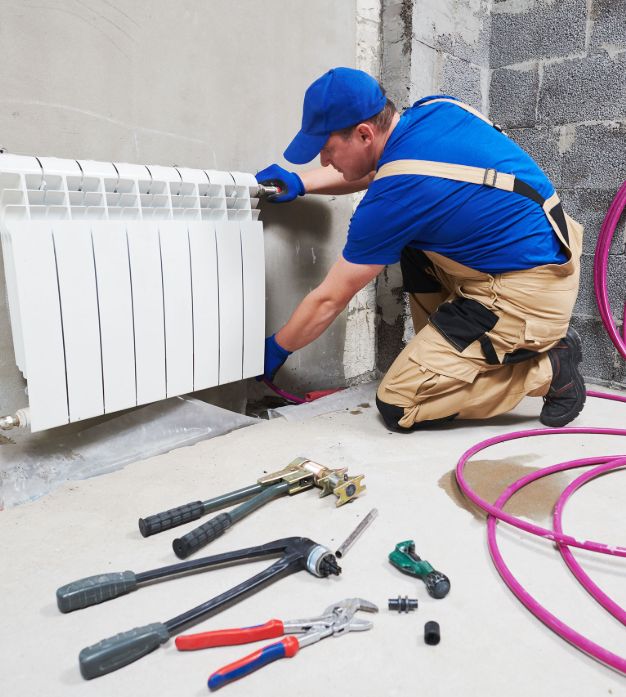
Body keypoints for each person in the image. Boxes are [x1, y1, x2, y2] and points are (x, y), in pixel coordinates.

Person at [256, 67, 586, 432]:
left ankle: (549, 370)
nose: (323, 161)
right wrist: (300, 183)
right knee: (410, 245)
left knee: (399, 405)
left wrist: (277, 349)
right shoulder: (433, 111)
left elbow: (329, 299)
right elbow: (382, 170)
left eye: (327, 149)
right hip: (544, 255)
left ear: (364, 133)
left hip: (526, 294)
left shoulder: (397, 196)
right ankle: (451, 359)